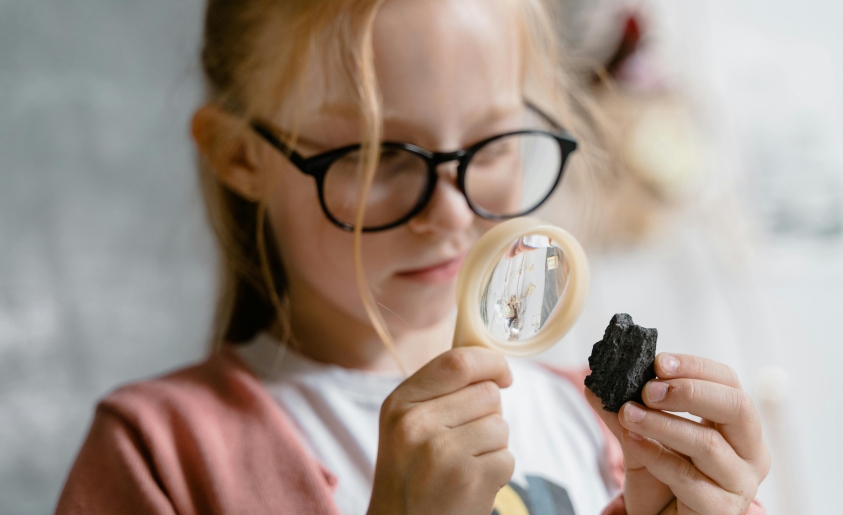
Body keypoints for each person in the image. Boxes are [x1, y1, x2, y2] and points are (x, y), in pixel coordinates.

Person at [56, 0, 769, 513]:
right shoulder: (157, 455)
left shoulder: (588, 425)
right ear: (242, 156)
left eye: (490, 146)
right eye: (379, 158)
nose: (452, 213)